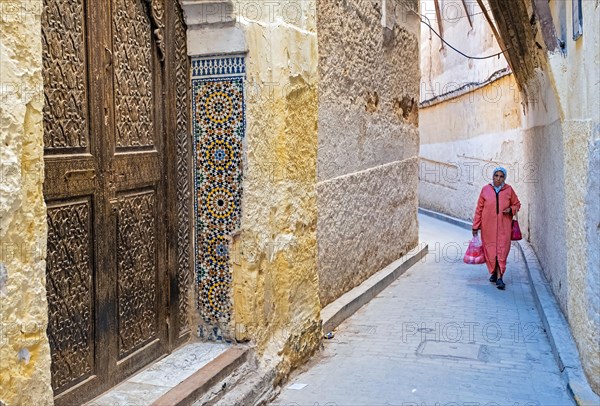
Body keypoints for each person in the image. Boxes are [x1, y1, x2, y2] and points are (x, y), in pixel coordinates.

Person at [472, 167, 521, 290]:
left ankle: (500, 277)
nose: (498, 179)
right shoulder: (485, 190)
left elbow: (517, 204)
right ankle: (493, 272)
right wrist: (475, 226)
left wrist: (511, 209)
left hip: (504, 228)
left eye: (501, 176)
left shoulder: (509, 190)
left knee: (502, 252)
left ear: (504, 178)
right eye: (496, 176)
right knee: (491, 252)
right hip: (488, 228)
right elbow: (479, 209)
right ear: (493, 176)